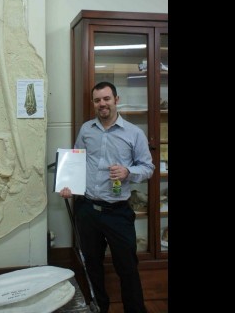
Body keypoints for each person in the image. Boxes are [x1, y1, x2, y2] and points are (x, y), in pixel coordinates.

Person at [60, 81, 154, 313]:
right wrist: (68, 185)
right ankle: (99, 308)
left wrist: (128, 172)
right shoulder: (86, 130)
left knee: (127, 268)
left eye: (106, 99)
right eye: (97, 100)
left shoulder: (134, 133)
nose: (102, 104)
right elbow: (76, 161)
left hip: (118, 212)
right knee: (92, 265)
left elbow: (148, 168)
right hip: (88, 210)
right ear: (93, 103)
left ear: (116, 100)